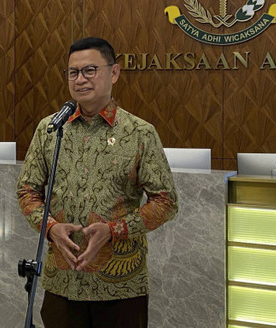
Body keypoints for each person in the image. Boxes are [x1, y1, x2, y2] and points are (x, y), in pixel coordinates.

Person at [17, 36, 178, 328]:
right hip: (61, 281)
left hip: (120, 286)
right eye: (73, 72)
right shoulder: (51, 129)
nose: (80, 79)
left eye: (90, 70)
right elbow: (27, 190)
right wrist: (51, 228)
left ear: (113, 73)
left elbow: (166, 203)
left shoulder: (140, 133)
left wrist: (113, 230)